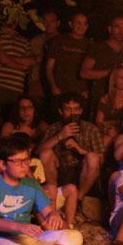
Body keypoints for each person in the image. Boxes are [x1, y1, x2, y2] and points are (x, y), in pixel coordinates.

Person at [38, 94, 103, 227]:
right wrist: (60, 136)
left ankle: (78, 201)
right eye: (68, 109)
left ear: (80, 111)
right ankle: (52, 201)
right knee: (45, 153)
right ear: (61, 111)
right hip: (59, 171)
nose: (72, 113)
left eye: (75, 109)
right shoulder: (54, 128)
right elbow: (38, 151)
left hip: (82, 173)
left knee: (92, 157)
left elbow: (100, 158)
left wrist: (80, 150)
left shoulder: (90, 129)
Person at [0, 18, 36, 120]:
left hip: (17, 89)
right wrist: (21, 66)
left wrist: (5, 60)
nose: (11, 20)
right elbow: (1, 57)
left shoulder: (24, 40)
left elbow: (32, 61)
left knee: (13, 123)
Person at [81, 14, 123, 103]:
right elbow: (84, 73)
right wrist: (111, 73)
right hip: (99, 99)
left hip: (121, 102)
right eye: (117, 27)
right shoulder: (97, 48)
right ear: (110, 29)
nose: (121, 31)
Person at [45, 12, 91, 99]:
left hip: (80, 93)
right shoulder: (58, 41)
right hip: (60, 91)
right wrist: (53, 87)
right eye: (78, 23)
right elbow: (49, 67)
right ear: (71, 24)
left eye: (84, 23)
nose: (81, 26)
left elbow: (90, 70)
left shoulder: (90, 45)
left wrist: (87, 90)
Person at [95, 67, 123, 146]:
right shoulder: (105, 99)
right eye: (120, 77)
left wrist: (119, 131)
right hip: (108, 133)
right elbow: (98, 122)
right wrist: (107, 130)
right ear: (113, 81)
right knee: (105, 139)